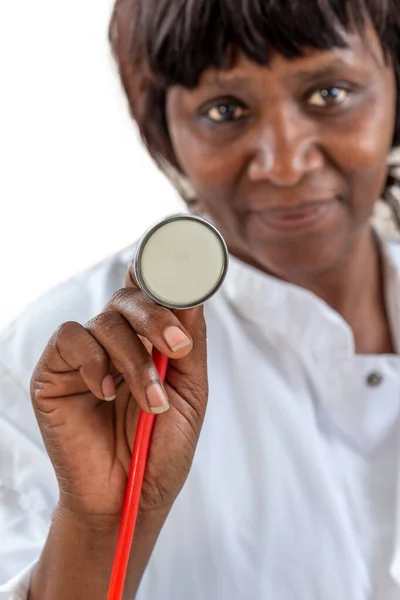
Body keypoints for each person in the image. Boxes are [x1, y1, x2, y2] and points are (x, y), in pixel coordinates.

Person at [1, 0, 400, 598]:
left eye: (330, 93)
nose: (286, 164)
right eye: (225, 109)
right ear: (163, 129)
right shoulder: (61, 366)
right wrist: (98, 528)